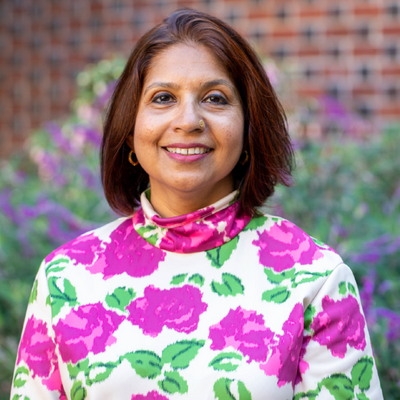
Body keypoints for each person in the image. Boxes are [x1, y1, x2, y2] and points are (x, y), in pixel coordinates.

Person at [11, 9, 383, 400]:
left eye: (215, 98)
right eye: (163, 98)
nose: (188, 120)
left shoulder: (315, 279)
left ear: (248, 127)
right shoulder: (65, 278)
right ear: (131, 129)